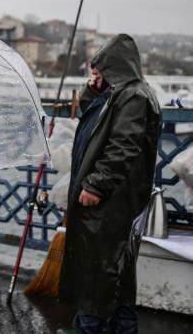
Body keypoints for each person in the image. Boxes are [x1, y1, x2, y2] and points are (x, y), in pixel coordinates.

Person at [58, 34, 161, 334]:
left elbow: (122, 146)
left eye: (99, 70)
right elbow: (97, 124)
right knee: (115, 277)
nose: (95, 74)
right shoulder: (122, 93)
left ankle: (89, 329)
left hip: (110, 203)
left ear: (116, 67)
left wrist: (96, 185)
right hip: (112, 202)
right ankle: (115, 328)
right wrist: (92, 94)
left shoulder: (134, 96)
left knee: (98, 278)